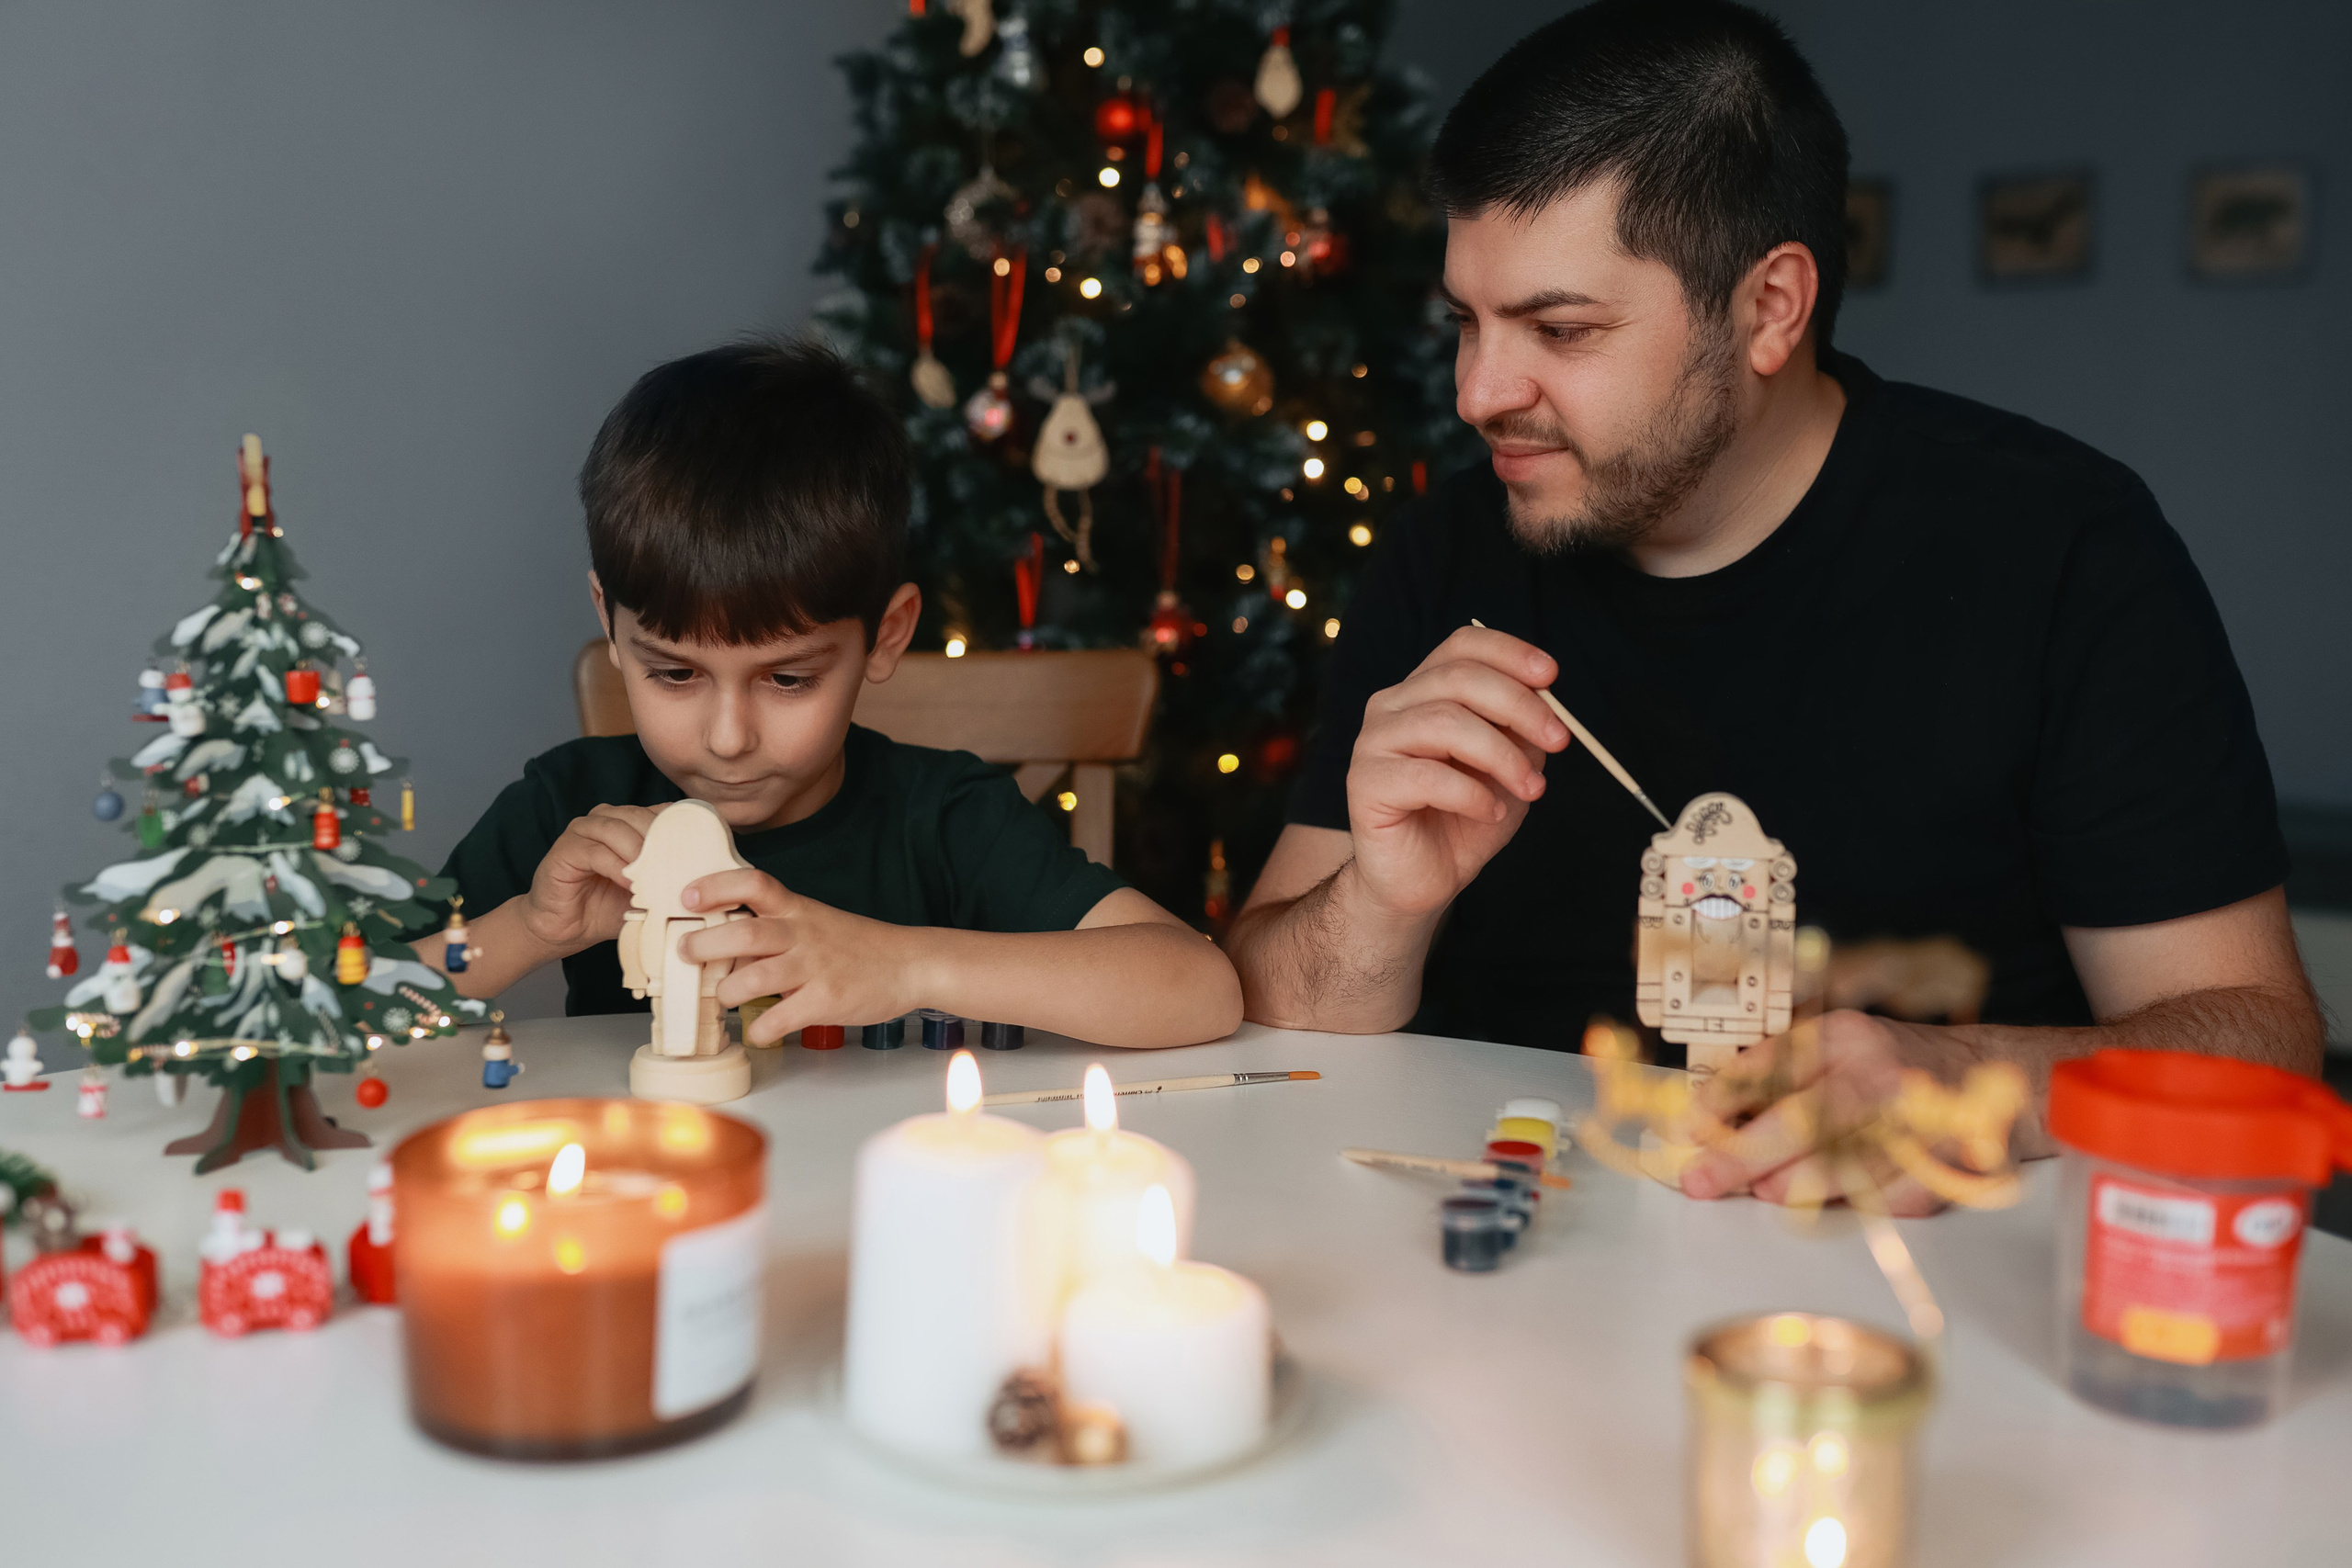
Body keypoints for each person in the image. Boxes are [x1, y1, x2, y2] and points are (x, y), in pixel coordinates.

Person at [1226, 0, 2323, 1209]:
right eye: (1467, 322)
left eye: (1561, 327)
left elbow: (2263, 1045)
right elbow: (1270, 1006)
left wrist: (1972, 1071)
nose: (1480, 389)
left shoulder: (2062, 546)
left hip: (1902, 1292)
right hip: (1509, 1260)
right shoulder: (1450, 554)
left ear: (1769, 307)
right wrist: (1377, 900)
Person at [416, 339, 1239, 1050]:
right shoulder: (568, 809)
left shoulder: (944, 816)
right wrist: (526, 928)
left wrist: (905, 963)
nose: (729, 736)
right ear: (610, 622)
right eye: (674, 673)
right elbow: (350, 1008)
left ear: (885, 636)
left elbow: (1200, 987)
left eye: (787, 678)